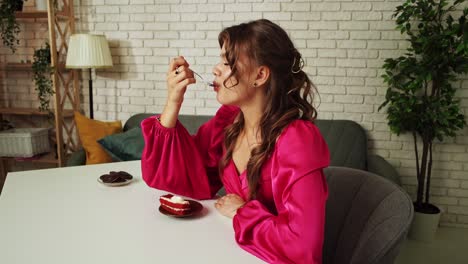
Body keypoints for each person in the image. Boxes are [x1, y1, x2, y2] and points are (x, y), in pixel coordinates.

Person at [141, 19, 330, 264]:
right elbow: (178, 176)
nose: (215, 70)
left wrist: (242, 211)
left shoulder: (297, 140)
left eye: (227, 62)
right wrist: (173, 103)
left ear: (260, 75)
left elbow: (304, 246)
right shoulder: (228, 123)